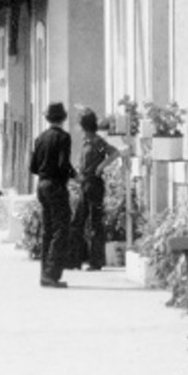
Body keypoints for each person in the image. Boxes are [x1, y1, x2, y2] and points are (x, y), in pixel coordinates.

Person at [29, 101, 75, 288]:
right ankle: (52, 273)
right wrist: (74, 176)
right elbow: (64, 164)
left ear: (48, 118)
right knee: (61, 228)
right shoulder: (63, 137)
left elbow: (33, 167)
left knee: (48, 229)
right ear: (63, 118)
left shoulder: (40, 138)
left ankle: (44, 273)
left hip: (42, 184)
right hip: (56, 185)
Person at [73, 106, 120, 271]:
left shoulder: (97, 142)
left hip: (94, 183)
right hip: (85, 183)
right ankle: (78, 258)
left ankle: (96, 261)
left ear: (84, 126)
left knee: (94, 222)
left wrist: (101, 167)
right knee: (78, 221)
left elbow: (114, 153)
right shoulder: (86, 141)